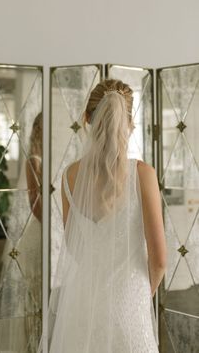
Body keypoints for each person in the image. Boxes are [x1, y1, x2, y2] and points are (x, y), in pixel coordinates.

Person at [38, 79, 166, 353]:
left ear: (86, 118)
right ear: (129, 123)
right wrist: (137, 297)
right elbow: (159, 261)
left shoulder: (70, 176)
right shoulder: (143, 175)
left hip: (83, 302)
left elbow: (74, 245)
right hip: (127, 303)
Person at [0, 113, 43, 353]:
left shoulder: (45, 159)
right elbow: (34, 202)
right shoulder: (34, 160)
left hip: (43, 231)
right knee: (33, 293)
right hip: (38, 232)